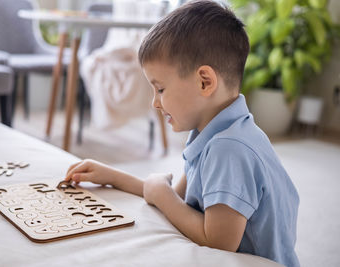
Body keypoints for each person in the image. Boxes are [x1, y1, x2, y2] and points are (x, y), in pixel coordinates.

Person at [64, 1, 300, 266]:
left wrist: (162, 195)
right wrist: (112, 176)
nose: (155, 102)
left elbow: (219, 241)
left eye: (161, 89)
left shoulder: (230, 148)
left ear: (205, 82)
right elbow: (174, 197)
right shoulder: (213, 131)